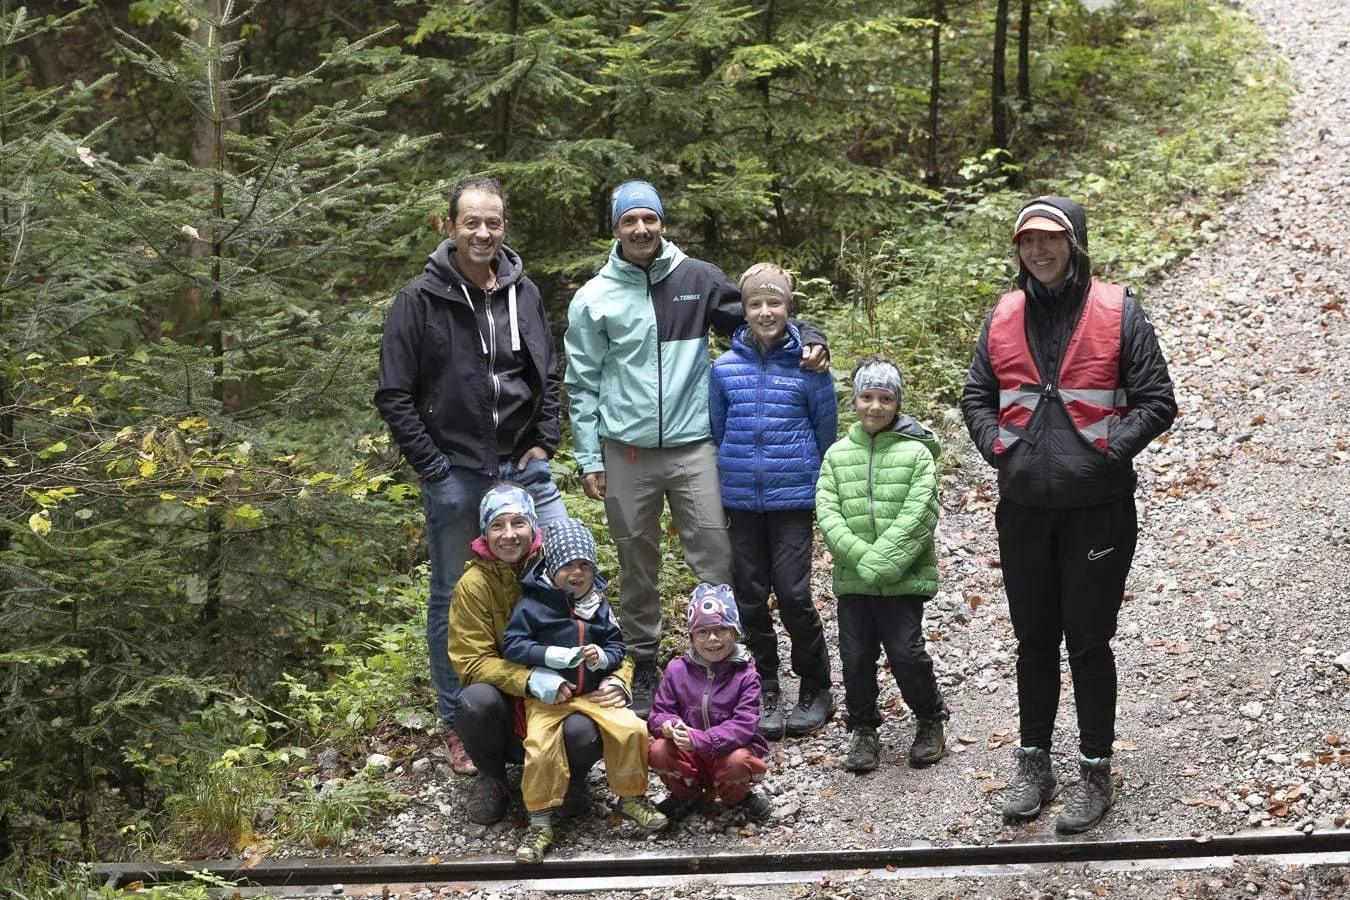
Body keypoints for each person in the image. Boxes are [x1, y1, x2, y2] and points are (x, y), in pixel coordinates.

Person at [564, 180, 828, 718]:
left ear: (663, 223)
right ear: (615, 228)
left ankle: (727, 663)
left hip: (694, 449)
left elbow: (766, 315)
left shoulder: (699, 279)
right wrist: (589, 457)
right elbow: (581, 383)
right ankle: (643, 663)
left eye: (650, 219)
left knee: (716, 557)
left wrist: (814, 332)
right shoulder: (594, 298)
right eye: (629, 220)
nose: (641, 229)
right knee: (637, 564)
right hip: (626, 450)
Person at [960, 196, 1177, 834]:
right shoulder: (1003, 314)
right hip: (1024, 507)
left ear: (1074, 244)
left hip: (1097, 510)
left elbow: (1158, 400)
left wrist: (1110, 448)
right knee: (1033, 641)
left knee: (1086, 640)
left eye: (1051, 240)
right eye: (1028, 242)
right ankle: (1034, 765)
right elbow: (976, 394)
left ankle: (1094, 770)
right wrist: (998, 446)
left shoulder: (1119, 313)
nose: (1039, 251)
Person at [375, 176, 569, 775]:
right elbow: (394, 392)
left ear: (503, 227)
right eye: (471, 223)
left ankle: (558, 702)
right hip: (457, 471)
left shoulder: (524, 292)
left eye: (493, 223)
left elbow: (549, 372)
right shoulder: (421, 299)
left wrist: (544, 441)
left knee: (562, 571)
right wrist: (433, 465)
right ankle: (462, 721)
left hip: (524, 466)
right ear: (450, 226)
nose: (482, 233)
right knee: (452, 595)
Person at [708, 262, 838, 740]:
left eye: (775, 302)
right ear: (743, 311)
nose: (766, 311)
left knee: (795, 593)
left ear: (789, 307)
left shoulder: (810, 366)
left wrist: (823, 490)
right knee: (749, 597)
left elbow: (825, 432)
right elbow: (718, 432)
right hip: (741, 499)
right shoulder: (723, 368)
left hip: (793, 498)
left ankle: (816, 685)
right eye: (756, 304)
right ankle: (766, 686)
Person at [447, 485, 626, 826]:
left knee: (582, 731)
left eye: (518, 523)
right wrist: (529, 680)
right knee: (474, 702)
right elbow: (471, 662)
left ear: (533, 526)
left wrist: (619, 678)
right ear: (485, 531)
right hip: (507, 706)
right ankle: (494, 776)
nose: (509, 534)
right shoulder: (473, 585)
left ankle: (572, 779)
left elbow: (613, 638)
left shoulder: (563, 566)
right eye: (498, 525)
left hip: (568, 696)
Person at [501, 518, 668, 863]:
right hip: (550, 698)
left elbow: (617, 647)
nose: (577, 574)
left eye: (585, 566)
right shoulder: (533, 605)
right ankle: (540, 822)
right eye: (567, 566)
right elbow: (513, 645)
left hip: (593, 694)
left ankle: (631, 796)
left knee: (632, 729)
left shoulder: (598, 604)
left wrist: (602, 659)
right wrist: (547, 656)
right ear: (551, 567)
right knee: (540, 748)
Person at [816, 355, 950, 774]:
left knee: (906, 653)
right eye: (867, 397)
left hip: (903, 577)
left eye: (885, 398)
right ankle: (863, 729)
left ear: (898, 403)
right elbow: (827, 510)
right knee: (855, 657)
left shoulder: (916, 453)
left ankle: (929, 718)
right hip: (854, 580)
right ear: (853, 401)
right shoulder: (837, 455)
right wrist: (861, 558)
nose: (875, 406)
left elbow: (921, 512)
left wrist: (883, 561)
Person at [647, 583, 771, 821]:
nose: (712, 639)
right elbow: (659, 713)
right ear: (691, 637)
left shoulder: (746, 675)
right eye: (703, 632)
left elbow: (743, 726)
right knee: (659, 748)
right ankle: (685, 794)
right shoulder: (676, 669)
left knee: (738, 761)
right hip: (689, 754)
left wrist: (701, 739)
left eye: (721, 629)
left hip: (725, 752)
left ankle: (737, 797)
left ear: (735, 633)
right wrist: (668, 725)